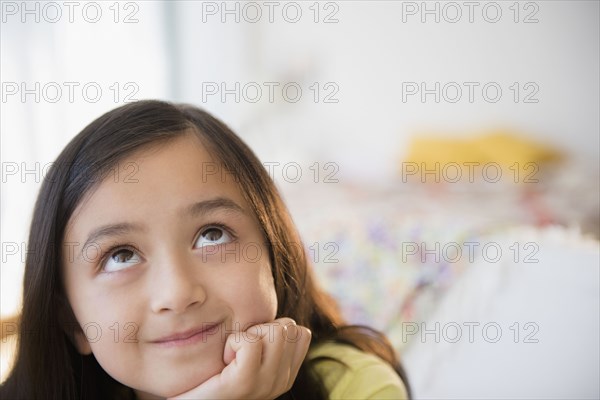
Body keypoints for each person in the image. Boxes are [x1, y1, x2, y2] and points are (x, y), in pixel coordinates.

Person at [0, 100, 410, 399]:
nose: (177, 292)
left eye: (212, 235)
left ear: (273, 253)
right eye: (121, 255)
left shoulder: (352, 385)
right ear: (72, 321)